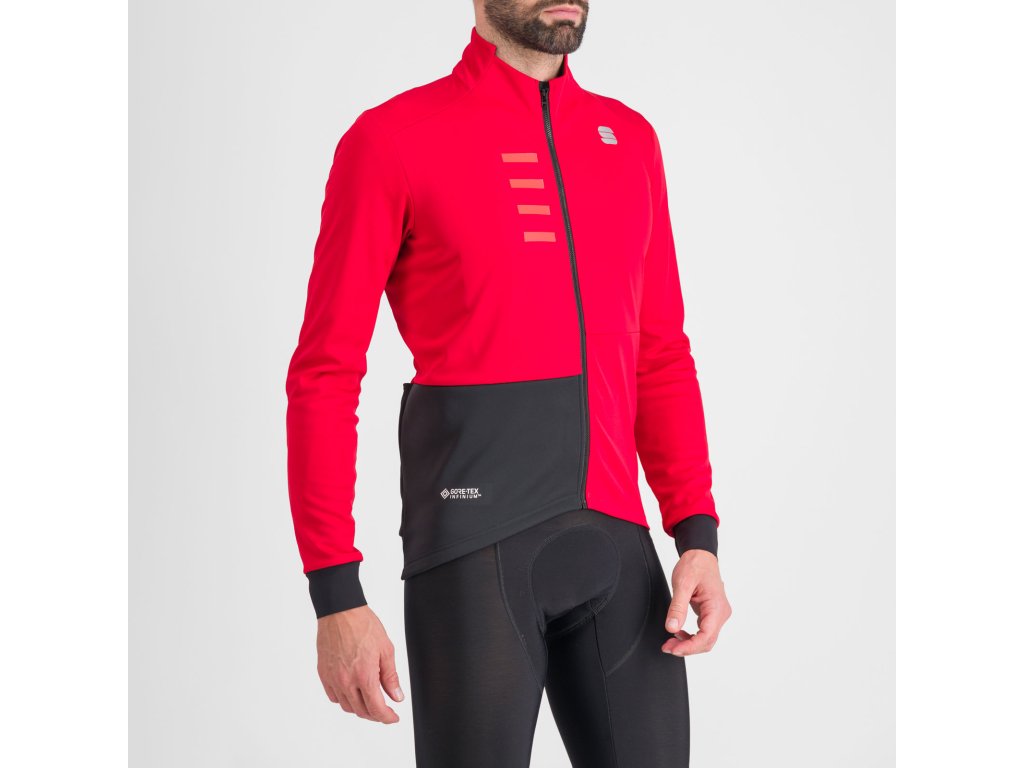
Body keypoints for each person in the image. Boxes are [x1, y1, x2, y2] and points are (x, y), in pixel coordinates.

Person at [285, 2, 732, 765]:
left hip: (617, 545)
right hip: (473, 550)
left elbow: (658, 351)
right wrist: (336, 593)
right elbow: (325, 372)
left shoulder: (629, 140)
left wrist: (697, 534)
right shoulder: (393, 139)